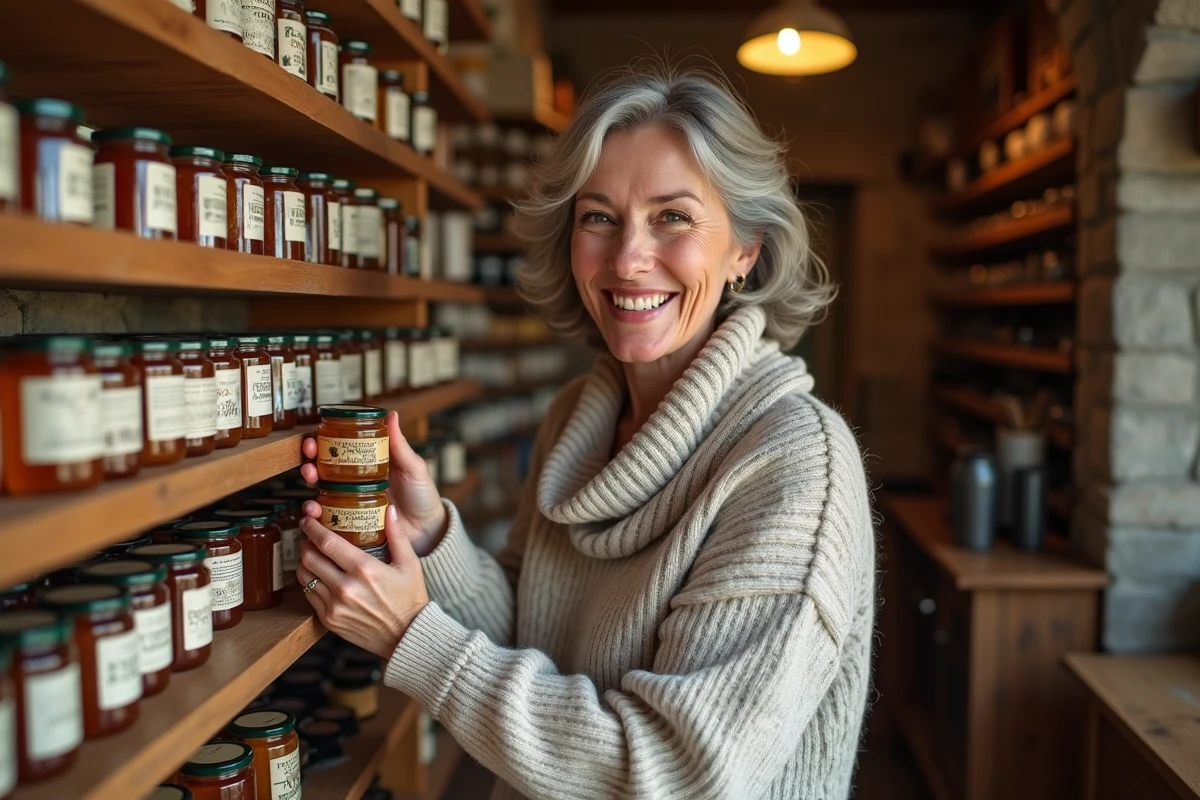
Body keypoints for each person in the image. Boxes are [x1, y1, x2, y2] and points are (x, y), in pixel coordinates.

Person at [296, 61, 876, 799]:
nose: (630, 259)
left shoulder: (795, 464)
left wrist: (415, 639)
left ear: (745, 249)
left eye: (673, 216)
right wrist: (430, 534)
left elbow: (677, 771)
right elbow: (529, 627)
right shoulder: (580, 415)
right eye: (599, 217)